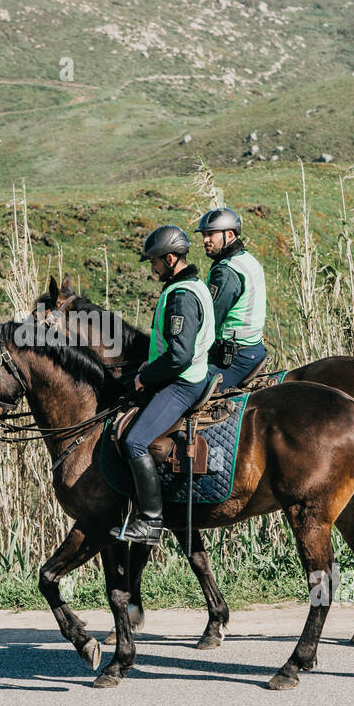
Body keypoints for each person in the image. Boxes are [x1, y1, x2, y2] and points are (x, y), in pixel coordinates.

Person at [112, 226, 214, 546]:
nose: (152, 268)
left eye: (154, 261)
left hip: (184, 383)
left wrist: (147, 376)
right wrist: (150, 366)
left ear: (170, 259)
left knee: (135, 442)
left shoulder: (182, 296)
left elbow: (179, 357)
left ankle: (151, 521)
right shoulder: (191, 285)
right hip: (182, 374)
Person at [199, 207, 267, 388]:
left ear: (229, 235)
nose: (205, 240)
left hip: (234, 358)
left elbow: (209, 321)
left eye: (211, 234)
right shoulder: (247, 258)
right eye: (204, 235)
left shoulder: (226, 272)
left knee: (181, 389)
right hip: (255, 348)